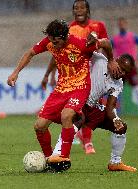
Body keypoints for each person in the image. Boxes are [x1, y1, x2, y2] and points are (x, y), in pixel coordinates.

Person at [7, 19, 118, 171]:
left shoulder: (81, 44)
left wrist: (111, 60)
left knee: (67, 115)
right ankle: (49, 159)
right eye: (51, 40)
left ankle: (64, 157)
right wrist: (15, 73)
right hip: (61, 89)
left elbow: (106, 43)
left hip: (80, 87)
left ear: (65, 36)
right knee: (39, 126)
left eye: (56, 41)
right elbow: (30, 53)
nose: (53, 44)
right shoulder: (50, 41)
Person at [41, 0, 112, 155]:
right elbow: (58, 54)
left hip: (95, 71)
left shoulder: (98, 26)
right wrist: (49, 74)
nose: (79, 10)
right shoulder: (69, 29)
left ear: (88, 10)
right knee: (81, 109)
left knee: (91, 107)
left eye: (82, 7)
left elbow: (105, 46)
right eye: (76, 8)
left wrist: (108, 67)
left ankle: (80, 140)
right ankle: (83, 142)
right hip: (77, 74)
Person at [50, 52, 137, 172]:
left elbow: (110, 108)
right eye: (121, 69)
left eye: (125, 72)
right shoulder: (100, 60)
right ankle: (56, 155)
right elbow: (81, 50)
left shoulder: (118, 83)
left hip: (92, 106)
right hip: (77, 98)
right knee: (79, 118)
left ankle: (115, 162)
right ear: (115, 61)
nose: (122, 73)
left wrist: (116, 120)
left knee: (122, 127)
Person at [111, 17, 138, 118]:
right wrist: (111, 61)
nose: (121, 25)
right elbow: (108, 48)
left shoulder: (132, 36)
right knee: (117, 90)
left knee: (136, 88)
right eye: (120, 24)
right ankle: (117, 112)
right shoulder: (115, 39)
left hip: (131, 67)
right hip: (120, 68)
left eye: (123, 24)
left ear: (126, 24)